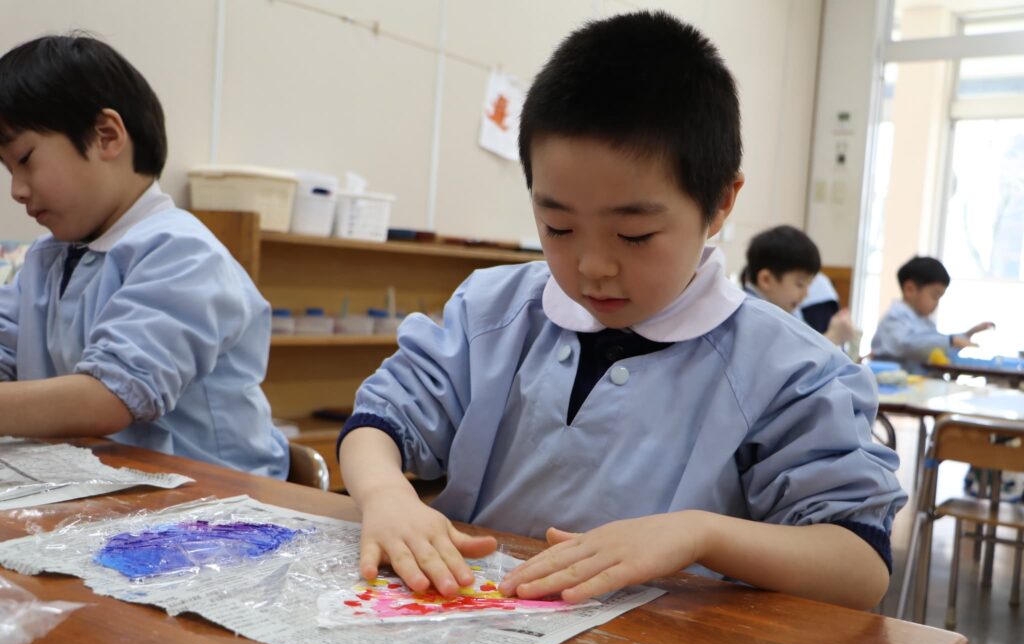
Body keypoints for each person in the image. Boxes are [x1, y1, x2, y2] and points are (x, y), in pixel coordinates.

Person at [338, 12, 906, 610]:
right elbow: (380, 419)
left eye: (634, 235)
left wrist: (701, 534)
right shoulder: (494, 313)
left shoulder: (787, 369)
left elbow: (860, 567)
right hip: (466, 624)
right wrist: (385, 494)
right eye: (557, 227)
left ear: (720, 203)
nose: (593, 266)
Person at [0, 34, 288, 478]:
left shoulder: (183, 253)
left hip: (220, 496)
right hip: (109, 485)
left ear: (106, 136)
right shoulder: (47, 258)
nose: (17, 190)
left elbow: (110, 397)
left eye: (25, 160)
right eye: (8, 170)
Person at [870, 256, 994, 373]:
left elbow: (937, 345)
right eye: (934, 296)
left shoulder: (924, 321)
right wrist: (951, 341)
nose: (936, 304)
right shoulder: (894, 319)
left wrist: (968, 334)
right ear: (910, 289)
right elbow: (909, 345)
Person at [741, 225, 856, 347]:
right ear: (766, 280)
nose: (806, 294)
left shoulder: (784, 309)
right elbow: (791, 356)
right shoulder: (753, 317)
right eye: (800, 284)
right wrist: (833, 336)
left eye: (809, 285)